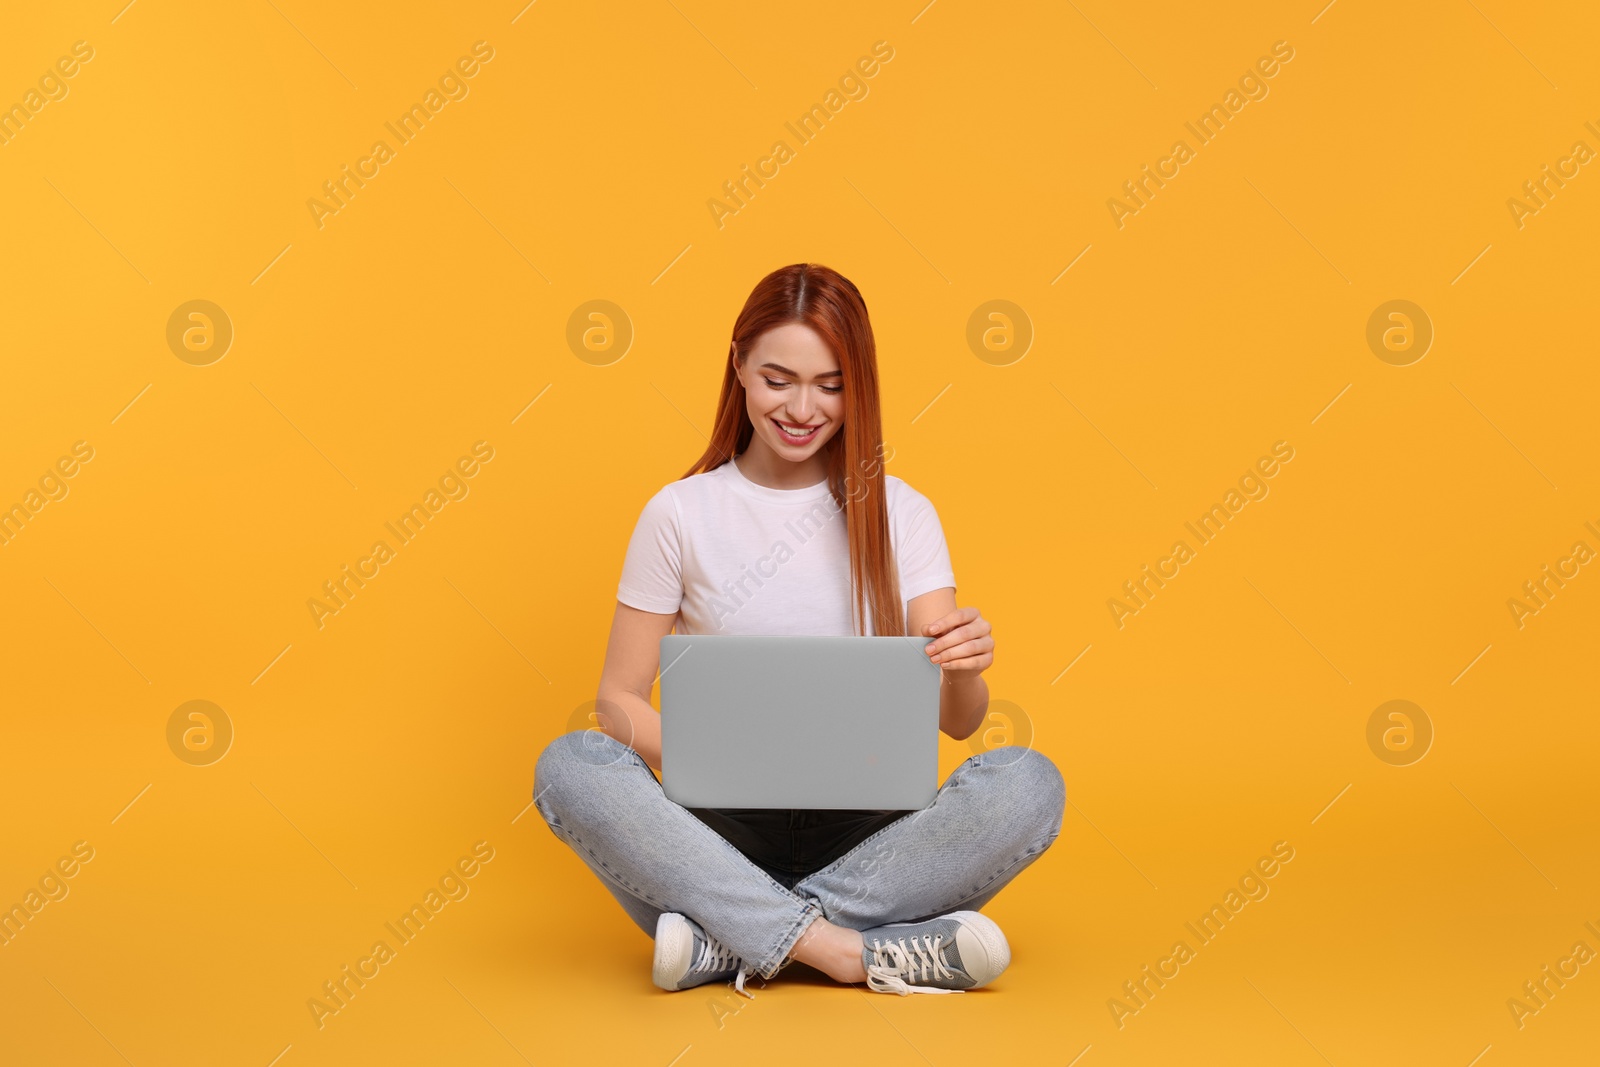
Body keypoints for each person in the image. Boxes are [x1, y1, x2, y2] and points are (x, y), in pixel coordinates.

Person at [532, 263, 1065, 996]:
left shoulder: (903, 514)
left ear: (859, 385)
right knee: (571, 766)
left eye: (832, 384)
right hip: (716, 835)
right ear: (739, 365)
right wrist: (731, 756)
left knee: (1028, 784)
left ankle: (734, 940)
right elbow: (618, 702)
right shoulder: (680, 513)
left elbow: (959, 723)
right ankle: (849, 952)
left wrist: (966, 667)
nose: (803, 407)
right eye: (779, 379)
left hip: (874, 836)